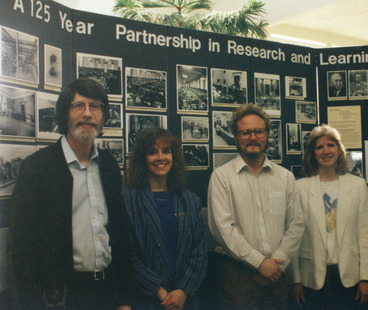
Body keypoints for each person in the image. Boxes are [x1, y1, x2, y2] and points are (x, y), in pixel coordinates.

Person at [8, 78, 132, 309]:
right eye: (79, 106)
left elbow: (120, 236)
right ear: (65, 113)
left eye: (95, 106)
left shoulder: (108, 165)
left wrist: (124, 299)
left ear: (103, 116)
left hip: (107, 293)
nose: (87, 114)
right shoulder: (37, 167)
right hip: (62, 298)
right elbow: (22, 249)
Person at [207, 103, 304, 310]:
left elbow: (296, 225)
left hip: (278, 272)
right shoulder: (221, 177)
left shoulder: (285, 177)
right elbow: (223, 230)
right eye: (245, 132)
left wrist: (276, 263)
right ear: (235, 137)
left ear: (268, 135)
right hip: (236, 275)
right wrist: (259, 263)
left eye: (258, 131)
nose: (253, 137)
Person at [289, 125, 368, 309]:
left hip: (350, 276)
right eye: (319, 147)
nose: (326, 151)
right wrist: (295, 281)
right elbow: (293, 239)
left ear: (339, 149)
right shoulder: (300, 188)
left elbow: (365, 236)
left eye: (331, 145)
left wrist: (366, 277)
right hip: (311, 277)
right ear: (312, 153)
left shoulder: (357, 186)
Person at [123, 128, 208, 310]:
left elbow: (199, 252)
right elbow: (127, 255)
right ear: (142, 159)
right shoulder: (128, 199)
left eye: (166, 151)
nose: (160, 157)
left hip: (185, 301)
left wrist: (183, 291)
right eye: (152, 152)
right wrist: (158, 290)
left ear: (174, 156)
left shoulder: (190, 200)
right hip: (146, 299)